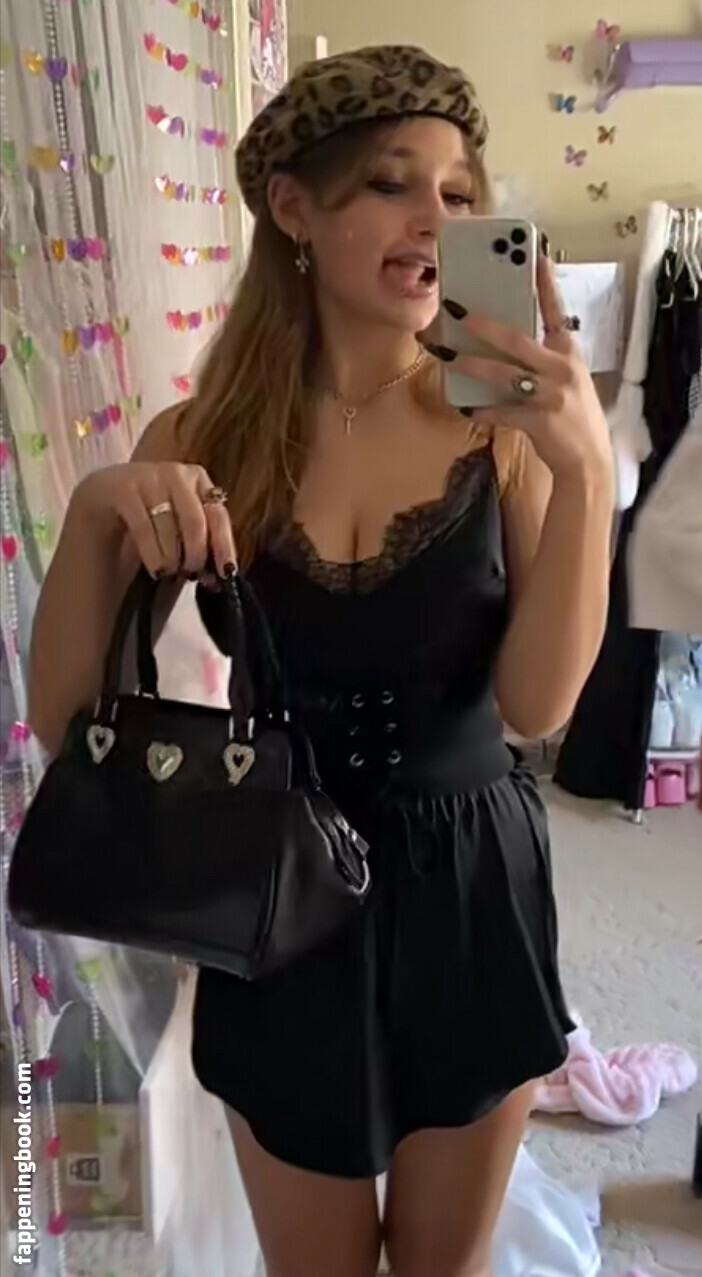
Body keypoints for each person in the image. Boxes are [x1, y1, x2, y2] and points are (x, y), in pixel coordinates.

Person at [28, 45, 615, 1277]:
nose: (434, 219)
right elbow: (64, 716)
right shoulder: (203, 434)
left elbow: (536, 705)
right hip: (276, 895)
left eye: (458, 195)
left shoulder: (504, 424)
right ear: (295, 209)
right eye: (392, 184)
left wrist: (585, 470)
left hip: (470, 886)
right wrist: (92, 513)